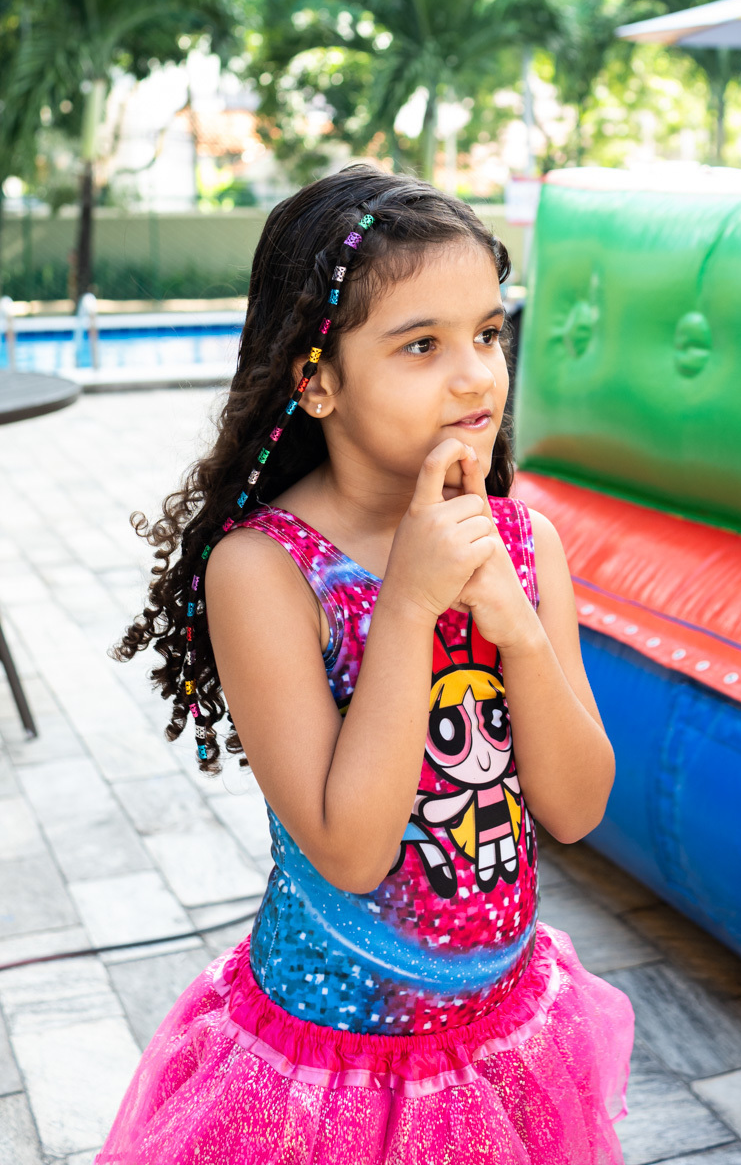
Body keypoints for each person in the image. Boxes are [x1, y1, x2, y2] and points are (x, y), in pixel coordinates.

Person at [97, 165, 634, 1165]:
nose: (475, 372)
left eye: (485, 331)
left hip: (503, 1037)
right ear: (317, 379)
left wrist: (514, 628)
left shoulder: (524, 546)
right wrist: (415, 602)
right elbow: (351, 848)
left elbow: (576, 805)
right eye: (421, 344)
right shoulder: (265, 571)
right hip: (325, 1077)